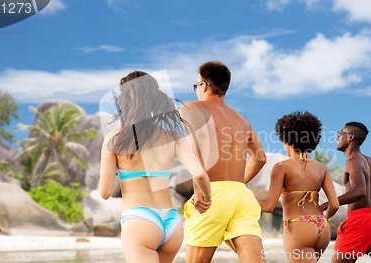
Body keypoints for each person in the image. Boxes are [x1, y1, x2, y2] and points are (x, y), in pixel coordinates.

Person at [99, 71, 212, 263]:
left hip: (139, 221)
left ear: (124, 100)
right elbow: (200, 175)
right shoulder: (174, 137)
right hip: (171, 222)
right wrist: (206, 199)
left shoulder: (114, 139)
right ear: (155, 98)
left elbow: (105, 192)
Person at [180, 61, 267, 263]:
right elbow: (260, 158)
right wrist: (237, 184)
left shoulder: (192, 107)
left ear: (204, 86)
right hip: (242, 197)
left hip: (211, 192)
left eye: (196, 86)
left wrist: (200, 188)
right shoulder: (242, 119)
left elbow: (197, 145)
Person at [257, 111, 339, 262]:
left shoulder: (281, 167)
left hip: (299, 227)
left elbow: (269, 206)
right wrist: (319, 220)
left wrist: (242, 197)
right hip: (322, 226)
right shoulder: (322, 168)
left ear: (286, 140)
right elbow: (334, 205)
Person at [321, 122, 371, 263]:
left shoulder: (352, 161)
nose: (337, 137)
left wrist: (327, 204)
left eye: (340, 133)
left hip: (359, 219)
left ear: (350, 137)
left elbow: (359, 190)